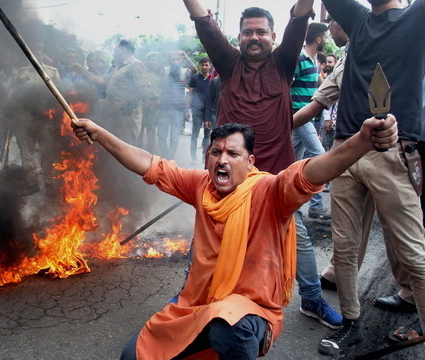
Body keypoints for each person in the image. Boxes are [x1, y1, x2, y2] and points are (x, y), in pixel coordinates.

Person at [71, 111, 398, 360]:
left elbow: (309, 173)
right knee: (133, 356)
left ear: (250, 161)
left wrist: (362, 142)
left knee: (227, 326)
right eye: (216, 153)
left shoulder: (269, 192)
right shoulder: (201, 186)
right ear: (207, 158)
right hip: (195, 304)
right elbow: (150, 165)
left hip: (251, 312)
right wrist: (100, 134)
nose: (222, 159)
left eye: (232, 154)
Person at [185, 0, 343, 329]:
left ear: (272, 36)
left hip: (276, 180)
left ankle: (312, 299)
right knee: (209, 240)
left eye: (261, 32)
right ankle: (191, 298)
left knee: (296, 237)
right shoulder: (227, 63)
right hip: (230, 180)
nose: (254, 37)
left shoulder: (284, 64)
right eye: (247, 32)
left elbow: (299, 17)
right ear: (238, 37)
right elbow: (204, 22)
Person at [317, 0, 425, 355]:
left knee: (414, 253)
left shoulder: (416, 15)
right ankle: (351, 324)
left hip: (394, 151)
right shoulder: (359, 18)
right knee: (345, 249)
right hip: (345, 149)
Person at [291, 22, 332, 221]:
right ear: (318, 39)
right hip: (299, 116)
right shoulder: (299, 58)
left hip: (305, 118)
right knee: (319, 155)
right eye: (325, 36)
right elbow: (285, 85)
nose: (327, 40)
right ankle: (316, 206)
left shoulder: (315, 61)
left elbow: (321, 86)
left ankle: (289, 202)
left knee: (290, 161)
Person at [16, 42, 62, 195]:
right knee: (27, 152)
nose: (36, 54)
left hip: (46, 119)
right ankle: (32, 182)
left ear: (43, 54)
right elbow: (15, 97)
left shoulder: (52, 72)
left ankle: (49, 181)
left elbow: (60, 96)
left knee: (48, 151)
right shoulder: (22, 73)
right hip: (27, 118)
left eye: (39, 51)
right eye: (33, 51)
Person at [157, 51, 195, 160]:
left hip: (178, 110)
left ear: (181, 61)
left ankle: (170, 157)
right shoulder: (165, 71)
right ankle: (165, 155)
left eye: (178, 60)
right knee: (161, 135)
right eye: (173, 60)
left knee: (174, 138)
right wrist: (165, 58)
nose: (175, 62)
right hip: (164, 108)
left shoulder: (184, 72)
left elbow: (195, 70)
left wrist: (186, 57)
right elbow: (155, 70)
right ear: (170, 61)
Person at [186, 56, 212, 165]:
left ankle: (204, 156)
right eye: (202, 65)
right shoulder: (195, 78)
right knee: (195, 134)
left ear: (210, 66)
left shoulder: (213, 79)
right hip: (197, 110)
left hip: (209, 111)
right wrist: (187, 110)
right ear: (200, 66)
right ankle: (193, 157)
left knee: (208, 135)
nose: (204, 67)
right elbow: (190, 94)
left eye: (206, 65)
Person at [139, 52, 162, 153]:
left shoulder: (161, 73)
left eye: (154, 59)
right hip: (142, 102)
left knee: (151, 129)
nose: (152, 61)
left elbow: (164, 88)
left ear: (157, 61)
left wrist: (160, 99)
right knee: (139, 127)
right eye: (149, 59)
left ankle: (149, 152)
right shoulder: (142, 72)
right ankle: (138, 150)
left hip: (153, 103)